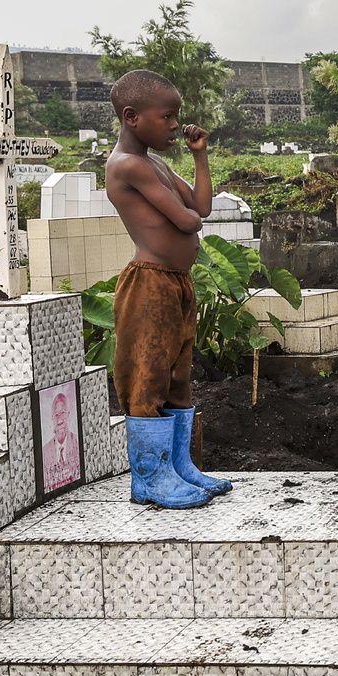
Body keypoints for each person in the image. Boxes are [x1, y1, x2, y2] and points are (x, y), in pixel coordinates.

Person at [104, 70, 233, 509]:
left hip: (176, 283)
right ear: (132, 117)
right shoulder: (128, 165)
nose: (177, 125)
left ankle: (179, 468)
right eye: (168, 117)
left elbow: (201, 206)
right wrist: (188, 214)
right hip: (150, 283)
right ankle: (150, 477)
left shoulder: (156, 163)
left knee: (178, 377)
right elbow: (188, 221)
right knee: (147, 378)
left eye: (177, 117)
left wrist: (200, 158)